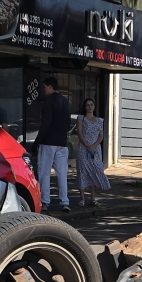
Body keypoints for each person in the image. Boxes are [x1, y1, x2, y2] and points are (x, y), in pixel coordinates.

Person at [36, 76, 71, 212]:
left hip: (48, 141)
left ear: (50, 86)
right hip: (62, 142)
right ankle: (64, 201)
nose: (44, 90)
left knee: (44, 172)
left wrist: (38, 141)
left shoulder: (48, 102)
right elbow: (68, 124)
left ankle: (45, 201)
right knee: (62, 174)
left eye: (45, 87)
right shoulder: (66, 102)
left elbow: (45, 123)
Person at [75, 97, 110, 207]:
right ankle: (82, 199)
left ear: (94, 107)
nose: (90, 107)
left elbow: (101, 136)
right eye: (88, 105)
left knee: (95, 171)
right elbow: (79, 133)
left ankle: (93, 198)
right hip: (83, 149)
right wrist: (87, 145)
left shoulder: (99, 120)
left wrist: (93, 146)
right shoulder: (81, 119)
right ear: (85, 107)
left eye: (92, 105)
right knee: (82, 172)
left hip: (95, 150)